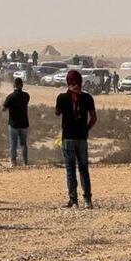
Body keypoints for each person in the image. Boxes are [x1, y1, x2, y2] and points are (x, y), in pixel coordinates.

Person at [55, 70, 96, 209]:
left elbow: (57, 112)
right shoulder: (88, 98)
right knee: (84, 169)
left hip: (68, 138)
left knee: (70, 169)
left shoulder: (62, 97)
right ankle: (88, 200)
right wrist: (86, 129)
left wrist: (68, 94)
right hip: (82, 138)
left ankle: (73, 200)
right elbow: (93, 118)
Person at [3, 78, 31, 166]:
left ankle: (13, 163)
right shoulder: (26, 95)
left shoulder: (10, 97)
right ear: (22, 85)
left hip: (13, 124)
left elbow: (4, 109)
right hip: (24, 123)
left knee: (13, 144)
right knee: (23, 144)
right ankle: (25, 162)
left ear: (14, 85)